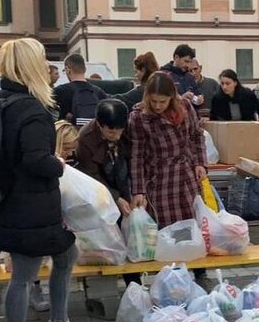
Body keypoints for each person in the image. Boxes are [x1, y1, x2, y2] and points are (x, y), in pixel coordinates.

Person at [0, 38, 93, 322]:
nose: (49, 66)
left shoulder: (0, 100)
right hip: (29, 204)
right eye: (43, 60)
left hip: (12, 201)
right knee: (23, 273)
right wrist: (57, 163)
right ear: (30, 65)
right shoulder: (30, 109)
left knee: (66, 253)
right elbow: (34, 159)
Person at [129, 72, 209, 283]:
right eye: (153, 101)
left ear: (172, 97)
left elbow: (197, 135)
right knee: (164, 228)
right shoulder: (139, 117)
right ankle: (167, 275)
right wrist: (139, 189)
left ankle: (198, 270)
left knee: (189, 222)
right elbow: (136, 154)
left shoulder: (185, 107)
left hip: (185, 177)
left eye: (162, 101)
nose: (157, 106)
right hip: (158, 181)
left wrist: (200, 162)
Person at [76, 99, 141, 286]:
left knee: (132, 234)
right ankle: (104, 283)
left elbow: (136, 161)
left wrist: (135, 191)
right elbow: (92, 176)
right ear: (99, 124)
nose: (117, 135)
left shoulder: (128, 129)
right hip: (101, 189)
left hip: (125, 181)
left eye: (120, 130)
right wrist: (116, 198)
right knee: (110, 234)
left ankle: (133, 282)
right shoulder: (86, 139)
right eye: (111, 131)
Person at [54, 54, 108, 126]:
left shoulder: (59, 91)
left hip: (70, 135)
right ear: (85, 69)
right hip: (93, 134)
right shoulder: (99, 92)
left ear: (68, 69)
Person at [161, 44, 204, 108]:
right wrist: (181, 99)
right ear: (176, 57)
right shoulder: (163, 76)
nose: (188, 65)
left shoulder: (190, 77)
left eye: (190, 62)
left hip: (190, 116)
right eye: (186, 61)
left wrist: (199, 99)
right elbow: (160, 100)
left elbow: (197, 93)